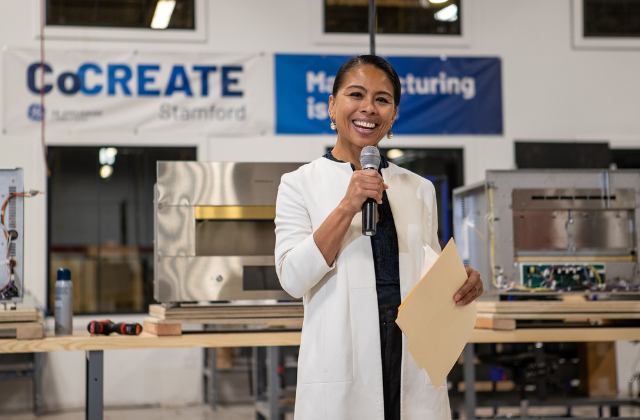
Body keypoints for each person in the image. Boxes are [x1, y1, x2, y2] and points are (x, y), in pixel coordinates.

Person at [274, 55, 483, 420]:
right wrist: (347, 206)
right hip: (343, 364)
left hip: (412, 360)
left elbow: (427, 273)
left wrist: (461, 282)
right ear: (332, 105)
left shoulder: (418, 188)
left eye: (382, 99)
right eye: (356, 94)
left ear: (393, 114)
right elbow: (292, 278)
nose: (368, 108)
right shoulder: (299, 184)